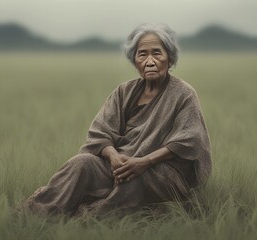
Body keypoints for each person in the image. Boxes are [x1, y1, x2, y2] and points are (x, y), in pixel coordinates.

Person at [24, 23, 211, 217]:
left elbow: (189, 140)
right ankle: (39, 210)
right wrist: (114, 157)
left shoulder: (184, 94)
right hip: (121, 166)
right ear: (135, 61)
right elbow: (100, 133)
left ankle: (91, 216)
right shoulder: (124, 92)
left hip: (160, 172)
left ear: (170, 58)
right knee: (82, 163)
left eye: (157, 53)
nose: (149, 61)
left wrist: (144, 162)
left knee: (134, 178)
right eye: (142, 54)